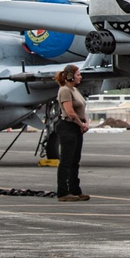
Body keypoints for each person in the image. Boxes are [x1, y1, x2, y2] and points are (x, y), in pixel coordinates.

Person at [54, 64, 90, 202]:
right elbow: (69, 112)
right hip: (67, 126)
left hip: (76, 127)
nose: (80, 76)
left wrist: (85, 122)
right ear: (70, 76)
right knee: (66, 161)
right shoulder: (65, 90)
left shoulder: (74, 89)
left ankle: (75, 190)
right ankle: (63, 192)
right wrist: (81, 124)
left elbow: (81, 109)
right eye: (78, 74)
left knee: (75, 160)